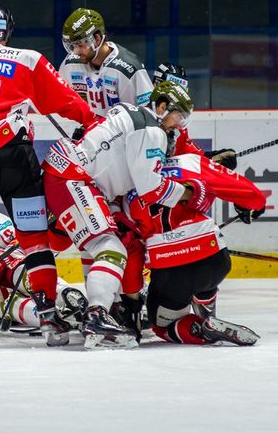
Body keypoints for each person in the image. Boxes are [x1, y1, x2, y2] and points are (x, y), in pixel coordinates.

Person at [0, 6, 97, 346]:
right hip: (14, 155)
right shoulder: (27, 59)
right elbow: (65, 100)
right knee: (34, 238)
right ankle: (48, 316)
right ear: (7, 34)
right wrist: (91, 121)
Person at [41, 81, 216, 349]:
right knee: (110, 247)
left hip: (68, 174)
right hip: (75, 178)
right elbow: (149, 187)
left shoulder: (130, 113)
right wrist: (190, 195)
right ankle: (97, 315)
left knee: (109, 243)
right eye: (177, 116)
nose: (178, 125)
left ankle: (102, 311)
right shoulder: (152, 129)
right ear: (161, 106)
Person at [122, 151, 265, 346]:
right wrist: (248, 205)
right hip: (216, 259)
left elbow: (133, 251)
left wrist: (133, 299)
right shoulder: (190, 161)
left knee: (162, 326)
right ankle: (209, 314)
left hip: (171, 270)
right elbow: (254, 197)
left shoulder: (124, 185)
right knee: (205, 278)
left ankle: (204, 329)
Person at [59, 8, 153, 118]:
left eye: (80, 45)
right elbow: (60, 99)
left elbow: (149, 115)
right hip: (91, 132)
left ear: (97, 39)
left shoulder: (129, 69)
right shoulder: (70, 63)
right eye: (72, 46)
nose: (76, 51)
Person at [152, 62, 237, 169]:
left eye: (180, 91)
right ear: (154, 86)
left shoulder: (177, 127)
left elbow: (191, 156)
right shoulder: (139, 116)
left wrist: (213, 161)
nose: (176, 97)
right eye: (170, 89)